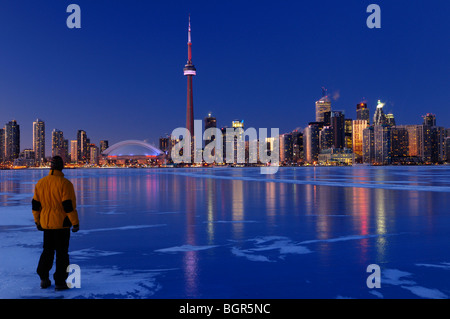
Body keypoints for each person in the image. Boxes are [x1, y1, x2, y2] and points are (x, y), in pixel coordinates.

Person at [32, 156, 80, 291]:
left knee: (47, 252)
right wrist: (75, 223)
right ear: (61, 167)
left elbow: (35, 206)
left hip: (46, 224)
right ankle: (60, 282)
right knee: (62, 254)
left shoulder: (40, 183)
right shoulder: (65, 184)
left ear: (50, 167)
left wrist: (37, 221)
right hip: (62, 225)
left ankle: (43, 278)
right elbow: (68, 206)